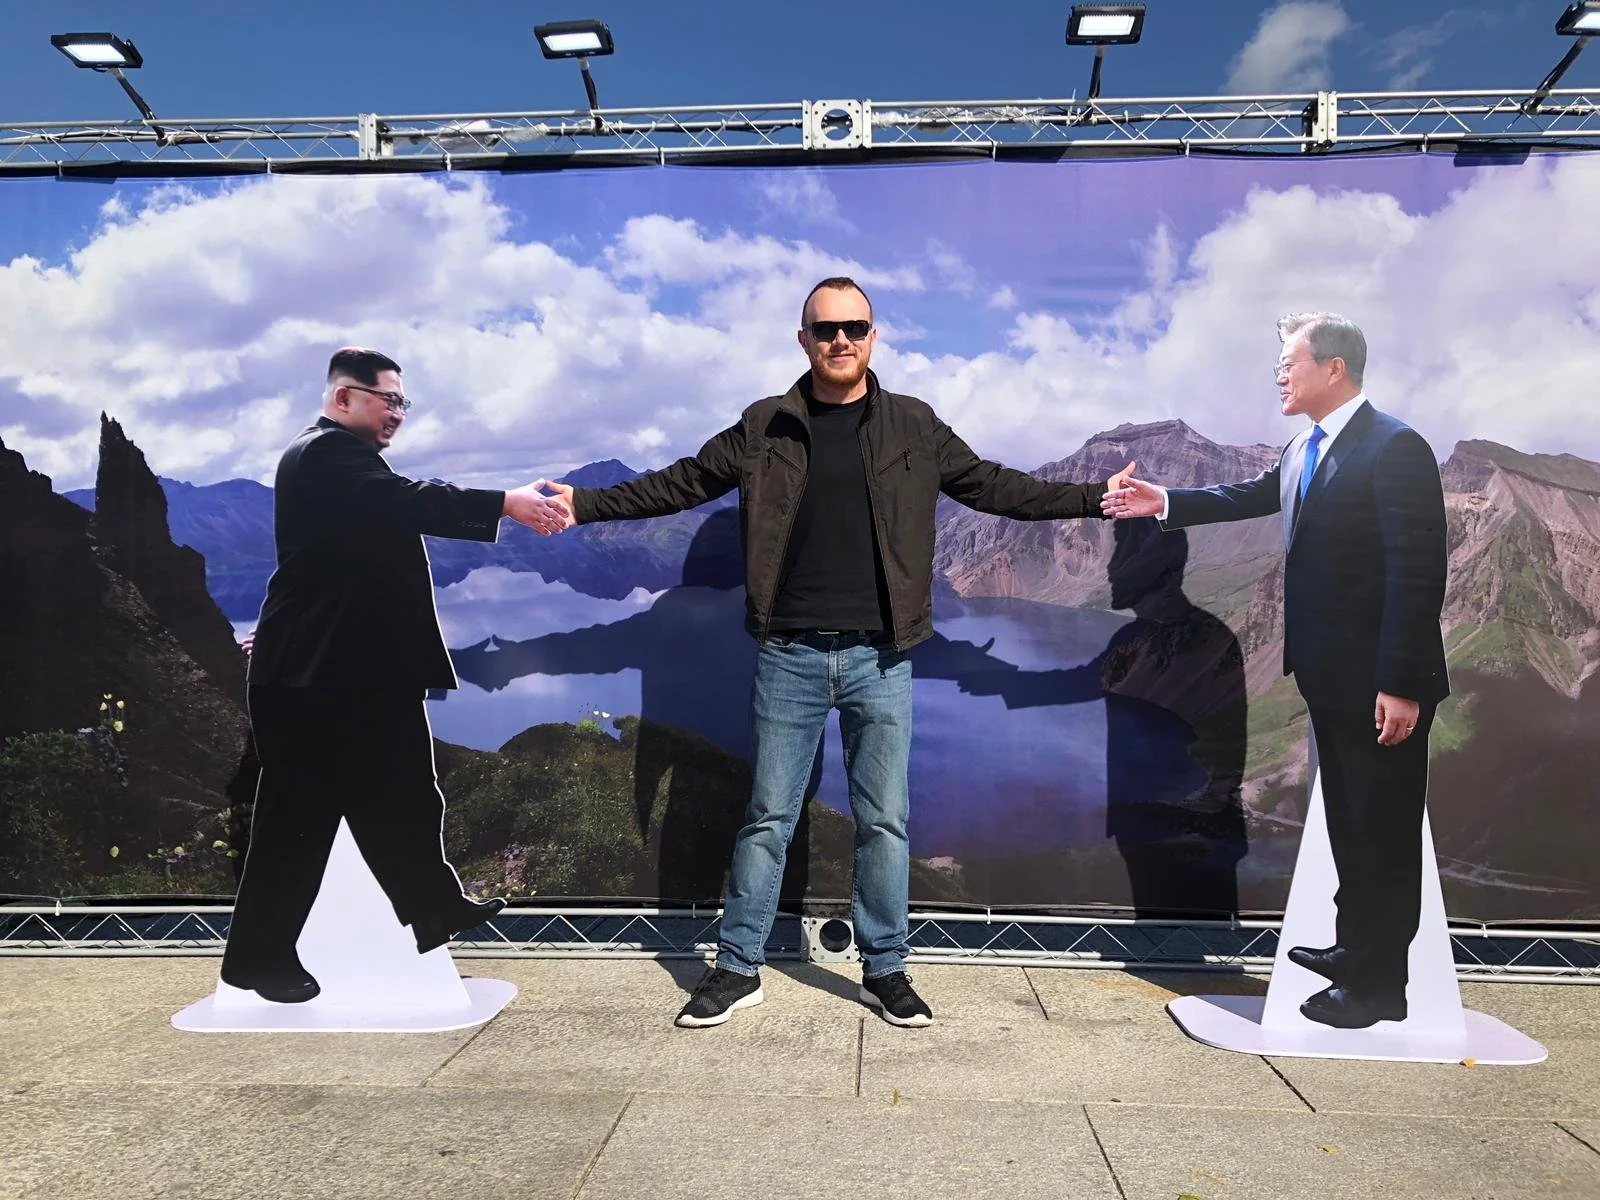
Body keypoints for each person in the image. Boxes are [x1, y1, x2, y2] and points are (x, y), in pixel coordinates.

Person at [542, 277, 1131, 1028]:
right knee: (768, 817)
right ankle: (738, 969)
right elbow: (682, 482)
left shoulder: (914, 425)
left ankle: (885, 970)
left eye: (854, 327)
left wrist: (1091, 497)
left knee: (884, 821)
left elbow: (994, 487)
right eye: (826, 329)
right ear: (804, 340)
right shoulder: (764, 426)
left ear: (874, 337)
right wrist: (586, 504)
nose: (841, 340)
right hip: (788, 654)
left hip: (881, 658)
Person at [1103, 313, 1448, 1029]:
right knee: (1350, 823)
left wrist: (1402, 682)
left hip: (1380, 683)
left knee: (1383, 830)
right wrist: (1164, 502)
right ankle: (1356, 949)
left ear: (1335, 368)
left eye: (1289, 363)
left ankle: (1381, 988)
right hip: (1328, 676)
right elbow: (1250, 495)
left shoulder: (1396, 447)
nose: (1279, 376)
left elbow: (1417, 574)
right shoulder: (1303, 449)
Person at [220, 347, 570, 1003]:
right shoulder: (324, 455)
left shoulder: (340, 461)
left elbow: (333, 566)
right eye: (389, 400)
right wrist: (506, 502)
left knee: (406, 790)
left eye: (403, 403)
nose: (398, 414)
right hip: (311, 682)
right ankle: (256, 961)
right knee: (297, 820)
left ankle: (434, 907)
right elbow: (410, 501)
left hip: (350, 670)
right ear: (344, 397)